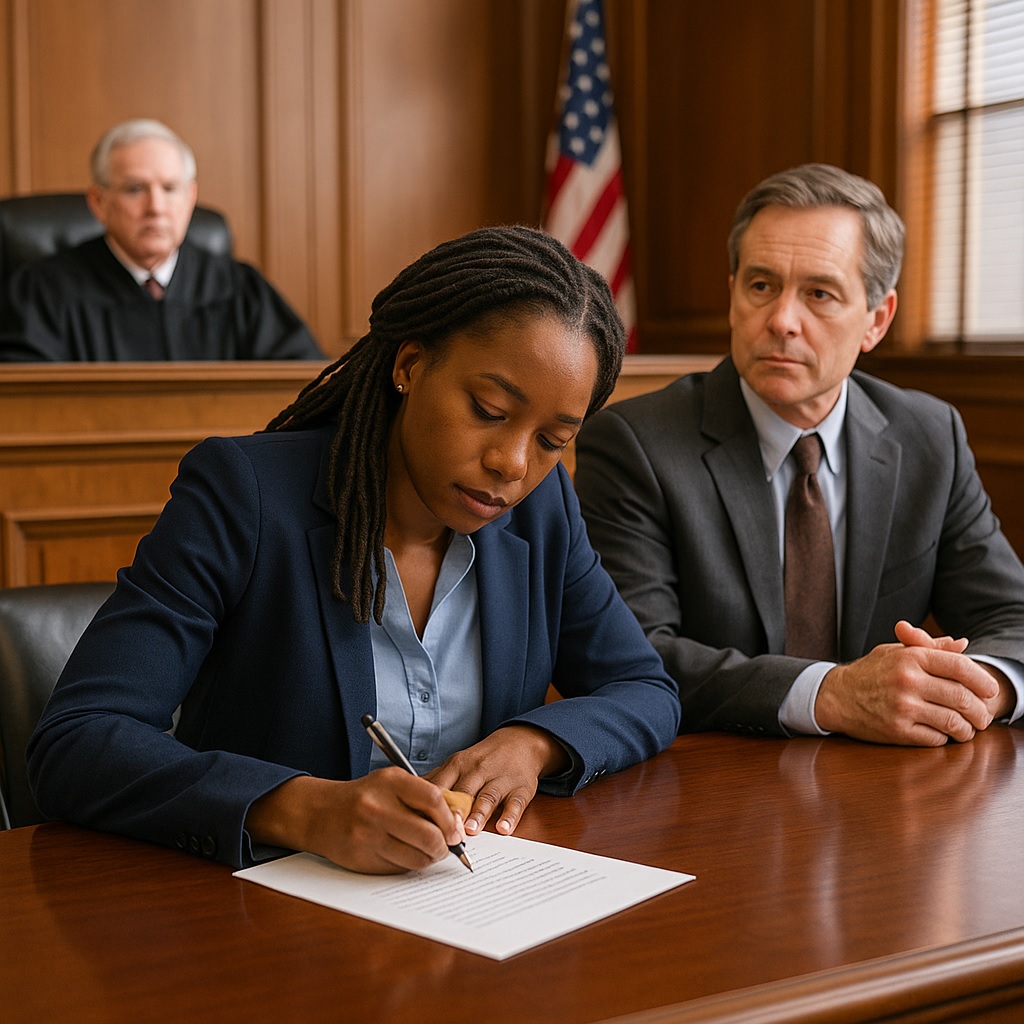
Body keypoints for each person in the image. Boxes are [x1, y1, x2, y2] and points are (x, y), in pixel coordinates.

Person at [27, 225, 680, 874]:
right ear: (409, 365)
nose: (511, 463)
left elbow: (645, 689)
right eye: (488, 409)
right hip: (256, 912)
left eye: (552, 440)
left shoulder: (543, 512)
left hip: (464, 903)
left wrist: (535, 743)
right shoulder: (243, 495)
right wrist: (304, 809)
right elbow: (77, 741)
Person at [574, 163, 1024, 747]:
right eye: (761, 286)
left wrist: (971, 687)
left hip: (885, 789)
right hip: (709, 784)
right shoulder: (634, 442)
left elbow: (1013, 618)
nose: (783, 320)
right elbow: (633, 656)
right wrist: (832, 693)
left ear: (876, 320)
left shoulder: (928, 435)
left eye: (820, 294)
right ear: (733, 295)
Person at [0, 118, 323, 361]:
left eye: (169, 189)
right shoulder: (42, 292)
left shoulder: (240, 290)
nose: (155, 208)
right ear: (99, 202)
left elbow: (304, 387)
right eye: (134, 189)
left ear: (190, 198)